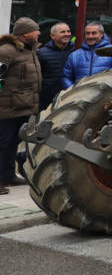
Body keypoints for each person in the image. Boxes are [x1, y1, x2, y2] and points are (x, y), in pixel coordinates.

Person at [0, 18, 43, 194]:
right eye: (35, 30)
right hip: (7, 107)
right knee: (3, 143)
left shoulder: (30, 50)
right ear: (25, 34)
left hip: (22, 106)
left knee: (12, 143)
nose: (38, 33)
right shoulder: (7, 50)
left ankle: (8, 176)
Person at [62, 22, 112, 89]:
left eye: (94, 33)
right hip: (81, 94)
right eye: (87, 33)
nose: (90, 36)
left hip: (106, 94)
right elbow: (66, 77)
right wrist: (73, 90)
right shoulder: (74, 56)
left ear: (102, 34)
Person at [36, 22, 73, 110]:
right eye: (63, 32)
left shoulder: (75, 51)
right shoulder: (42, 53)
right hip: (46, 101)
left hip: (69, 97)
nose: (67, 34)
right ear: (53, 36)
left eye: (68, 31)